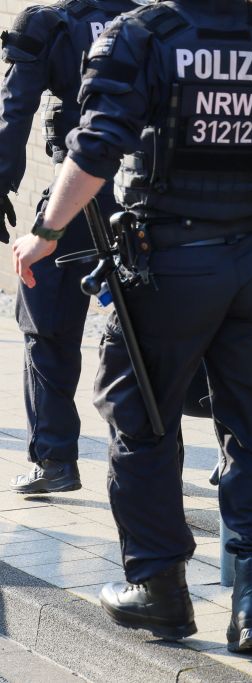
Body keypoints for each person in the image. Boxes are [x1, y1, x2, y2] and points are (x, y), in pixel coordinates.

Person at [10, 0, 252, 653]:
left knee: (142, 418)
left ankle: (160, 590)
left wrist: (47, 232)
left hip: (168, 264)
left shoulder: (142, 36)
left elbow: (97, 146)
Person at [1, 0, 139, 495]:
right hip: (149, 194)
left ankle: (54, 458)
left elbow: (15, 109)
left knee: (45, 320)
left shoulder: (51, 23)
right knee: (154, 328)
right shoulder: (154, 24)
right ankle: (159, 461)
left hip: (79, 192)